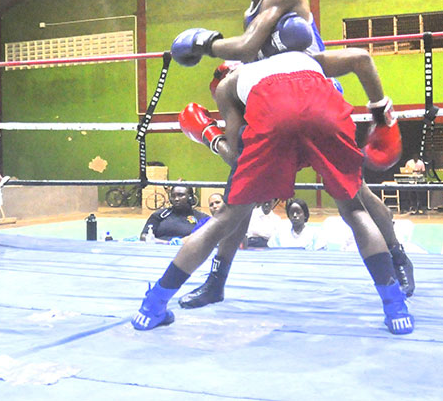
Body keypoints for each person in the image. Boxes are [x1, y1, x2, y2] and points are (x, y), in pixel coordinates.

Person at [170, 0, 414, 310]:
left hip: (315, 95)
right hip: (275, 107)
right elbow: (251, 55)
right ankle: (217, 280)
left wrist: (204, 42)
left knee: (354, 196)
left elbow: (250, 47)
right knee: (241, 195)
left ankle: (398, 258)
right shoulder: (252, 12)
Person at [132, 47, 414, 335]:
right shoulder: (285, 63)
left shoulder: (238, 85)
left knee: (354, 200)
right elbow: (359, 59)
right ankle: (395, 306)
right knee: (245, 204)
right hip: (316, 113)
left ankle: (398, 256)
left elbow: (235, 156)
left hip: (291, 114)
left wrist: (210, 136)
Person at [139, 185, 210, 243]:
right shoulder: (160, 215)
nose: (176, 199)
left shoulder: (202, 218)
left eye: (180, 195)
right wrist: (165, 243)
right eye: (173, 196)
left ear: (190, 197)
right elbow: (143, 236)